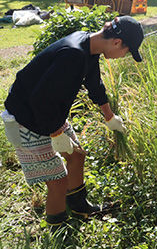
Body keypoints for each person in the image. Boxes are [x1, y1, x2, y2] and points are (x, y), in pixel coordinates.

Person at [2, 16, 144, 231]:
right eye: (127, 51)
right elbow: (39, 100)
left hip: (49, 115)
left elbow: (94, 84)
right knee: (57, 181)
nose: (123, 56)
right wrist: (56, 133)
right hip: (28, 119)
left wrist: (109, 117)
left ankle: (79, 206)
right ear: (116, 42)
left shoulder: (89, 46)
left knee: (77, 155)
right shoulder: (73, 54)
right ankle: (58, 229)